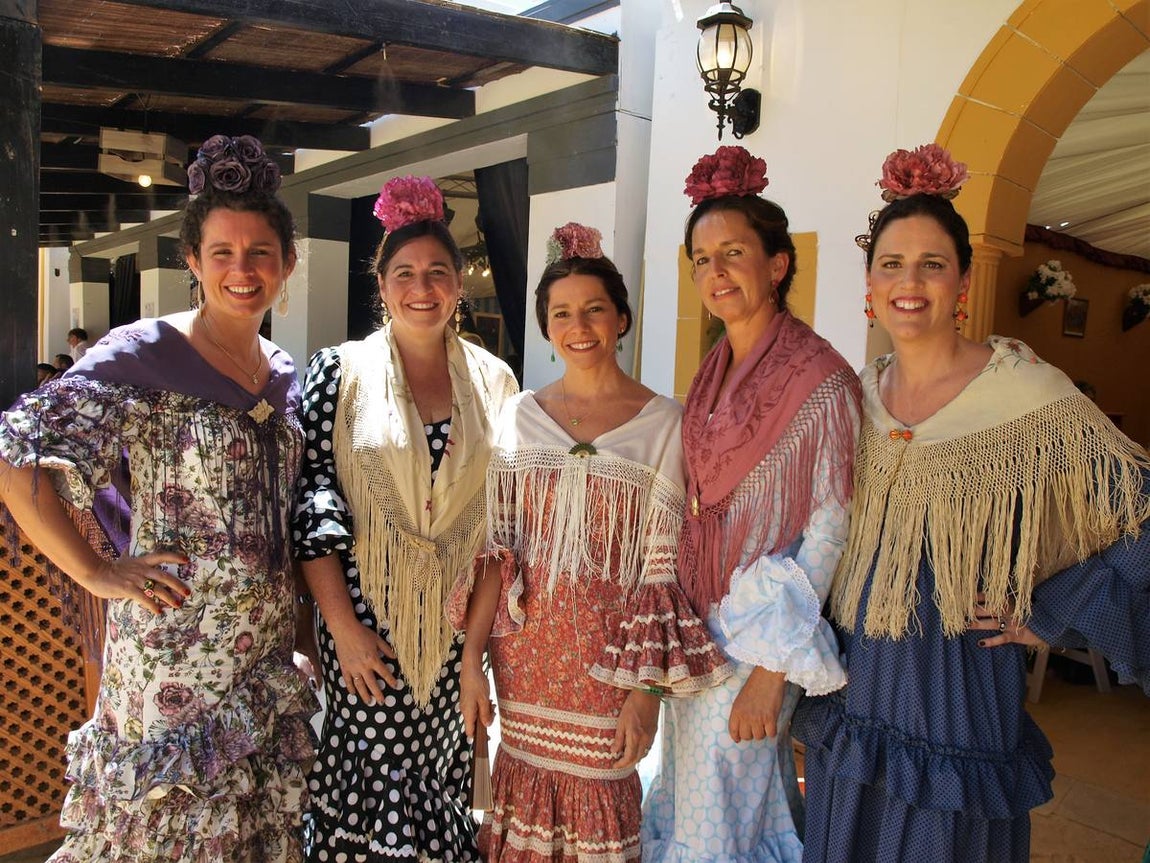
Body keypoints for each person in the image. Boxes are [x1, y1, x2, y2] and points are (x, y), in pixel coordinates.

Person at [793, 144, 1150, 863]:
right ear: (870, 280)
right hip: (858, 679)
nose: (910, 282)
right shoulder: (857, 395)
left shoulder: (1024, 392)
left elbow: (1137, 509)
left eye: (932, 263)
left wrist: (1050, 609)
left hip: (954, 685)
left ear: (961, 278)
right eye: (892, 263)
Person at [0, 133, 316, 861]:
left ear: (288, 262)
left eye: (261, 252)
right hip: (174, 661)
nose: (243, 270)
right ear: (193, 262)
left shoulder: (283, 370)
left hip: (261, 662)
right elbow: (18, 457)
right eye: (223, 253)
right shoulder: (141, 355)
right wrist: (97, 572)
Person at [449, 223, 731, 862]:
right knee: (521, 804)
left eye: (594, 310)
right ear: (547, 327)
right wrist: (472, 661)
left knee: (602, 801)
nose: (579, 326)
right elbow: (498, 557)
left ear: (622, 318)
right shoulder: (518, 417)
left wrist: (646, 692)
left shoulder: (666, 422)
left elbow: (664, 574)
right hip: (525, 662)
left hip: (609, 665)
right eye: (562, 314)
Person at [641, 146, 862, 863]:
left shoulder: (820, 378)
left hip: (759, 634)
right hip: (701, 630)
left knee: (718, 823)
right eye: (700, 259)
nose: (714, 273)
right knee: (723, 806)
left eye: (732, 252)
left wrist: (771, 674)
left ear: (777, 263)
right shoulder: (713, 368)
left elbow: (829, 530)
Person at [292, 175, 519, 862]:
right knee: (369, 783)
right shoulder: (338, 371)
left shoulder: (495, 381)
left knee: (441, 780)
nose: (423, 288)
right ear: (382, 284)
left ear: (457, 285)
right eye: (405, 274)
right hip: (364, 624)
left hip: (454, 627)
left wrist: (477, 650)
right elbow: (313, 504)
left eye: (438, 273)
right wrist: (340, 628)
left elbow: (498, 534)